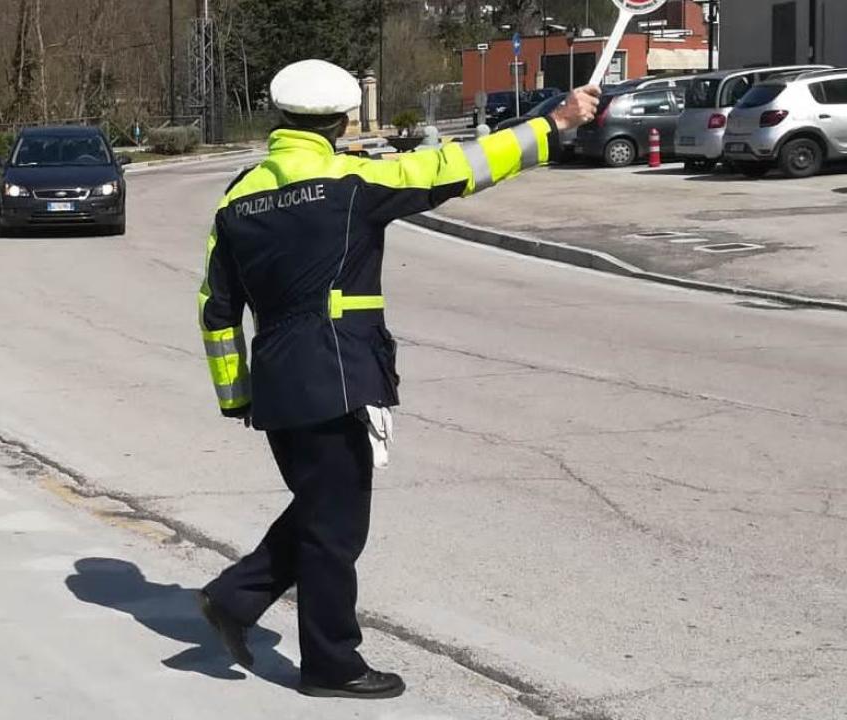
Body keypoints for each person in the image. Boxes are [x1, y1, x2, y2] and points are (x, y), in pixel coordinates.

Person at [195, 60, 599, 699]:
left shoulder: (238, 195)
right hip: (337, 376)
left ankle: (234, 600)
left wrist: (235, 393)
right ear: (342, 119)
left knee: (323, 509)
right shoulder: (351, 180)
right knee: (337, 528)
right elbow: (457, 167)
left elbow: (215, 309)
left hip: (277, 385)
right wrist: (555, 122)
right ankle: (330, 665)